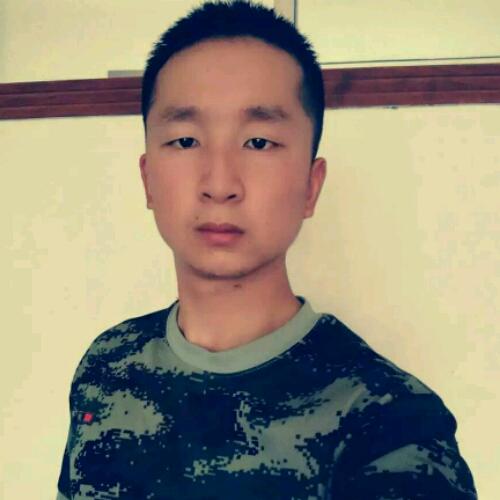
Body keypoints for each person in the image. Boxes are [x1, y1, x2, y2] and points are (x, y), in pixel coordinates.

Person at [56, 1, 477, 498]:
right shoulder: (107, 365)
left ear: (311, 186)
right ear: (148, 180)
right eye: (186, 140)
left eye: (258, 142)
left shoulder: (390, 426)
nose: (219, 184)